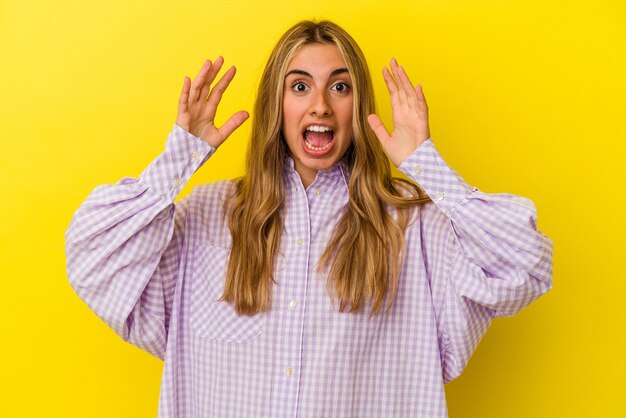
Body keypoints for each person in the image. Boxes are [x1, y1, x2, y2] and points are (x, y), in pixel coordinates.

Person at [66, 20, 553, 418]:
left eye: (339, 87)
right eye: (300, 86)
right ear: (276, 105)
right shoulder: (207, 216)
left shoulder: (411, 224)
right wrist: (178, 160)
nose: (320, 104)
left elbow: (526, 265)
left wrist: (427, 165)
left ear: (358, 104)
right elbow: (91, 260)